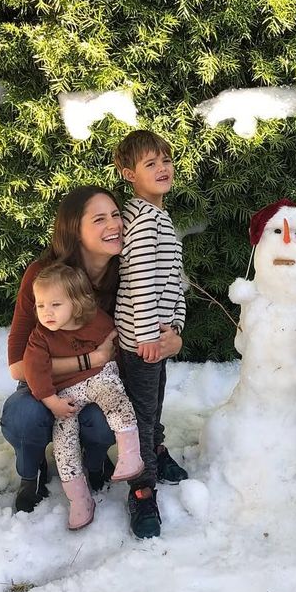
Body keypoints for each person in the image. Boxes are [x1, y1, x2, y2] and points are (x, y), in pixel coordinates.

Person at [1, 185, 182, 514]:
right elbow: (17, 366)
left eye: (116, 215)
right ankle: (32, 470)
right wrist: (90, 358)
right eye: (99, 219)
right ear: (74, 230)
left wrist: (175, 339)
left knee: (106, 418)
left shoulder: (130, 275)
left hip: (99, 385)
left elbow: (160, 321)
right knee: (23, 415)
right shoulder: (44, 277)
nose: (114, 225)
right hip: (45, 385)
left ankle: (95, 460)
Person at [24, 263, 145, 529]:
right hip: (66, 393)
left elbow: (118, 341)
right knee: (63, 440)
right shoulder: (40, 336)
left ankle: (130, 454)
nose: (47, 312)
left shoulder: (96, 321)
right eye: (41, 305)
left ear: (77, 303)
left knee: (115, 398)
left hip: (100, 377)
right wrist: (52, 402)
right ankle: (79, 499)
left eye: (55, 304)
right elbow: (33, 370)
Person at [114, 130, 188, 539]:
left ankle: (155, 450)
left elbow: (173, 281)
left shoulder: (157, 215)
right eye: (150, 164)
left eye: (166, 160)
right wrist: (146, 336)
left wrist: (175, 326)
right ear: (130, 174)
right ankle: (141, 489)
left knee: (154, 403)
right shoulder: (143, 221)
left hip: (157, 338)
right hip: (141, 342)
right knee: (141, 415)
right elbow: (140, 282)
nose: (162, 168)